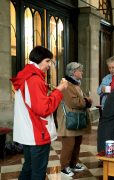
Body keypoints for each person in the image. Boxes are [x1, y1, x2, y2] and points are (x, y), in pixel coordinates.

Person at [10, 46, 68, 180]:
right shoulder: (34, 79)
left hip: (28, 131)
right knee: (38, 172)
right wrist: (59, 90)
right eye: (48, 61)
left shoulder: (26, 75)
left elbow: (33, 104)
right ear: (39, 59)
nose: (49, 65)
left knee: (28, 168)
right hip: (37, 132)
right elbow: (43, 109)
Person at [56, 62, 92, 177]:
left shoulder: (76, 84)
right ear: (73, 72)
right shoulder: (66, 84)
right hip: (69, 119)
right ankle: (64, 167)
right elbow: (74, 102)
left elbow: (79, 99)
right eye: (80, 70)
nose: (82, 72)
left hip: (77, 119)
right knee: (68, 145)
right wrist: (87, 101)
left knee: (77, 143)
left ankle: (73, 163)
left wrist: (85, 100)